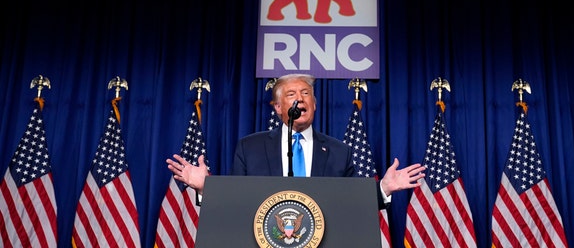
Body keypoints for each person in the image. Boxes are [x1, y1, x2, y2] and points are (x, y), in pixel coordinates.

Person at [167, 73, 425, 208]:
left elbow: (350, 203)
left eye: (305, 93)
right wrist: (205, 188)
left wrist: (384, 189)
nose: (300, 99)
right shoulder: (250, 147)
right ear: (278, 107)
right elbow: (238, 201)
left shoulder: (339, 152)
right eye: (291, 94)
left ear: (314, 103)